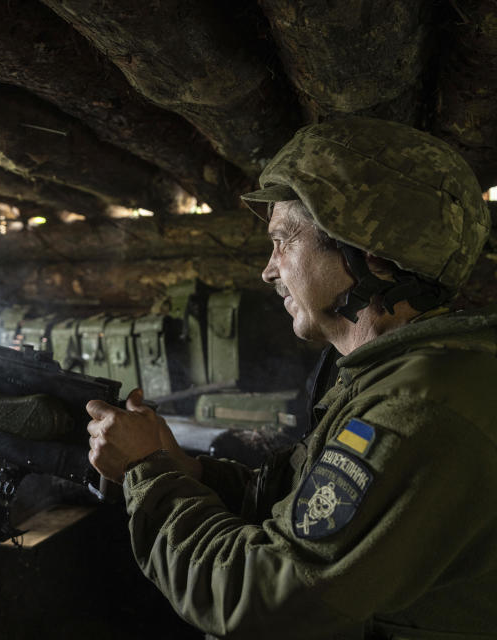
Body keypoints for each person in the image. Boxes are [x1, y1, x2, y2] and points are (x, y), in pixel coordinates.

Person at [86, 117, 497, 639]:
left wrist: (147, 470)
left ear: (365, 252)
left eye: (283, 240)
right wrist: (186, 470)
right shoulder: (399, 376)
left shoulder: (418, 408)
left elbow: (264, 603)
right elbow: (298, 511)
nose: (269, 269)